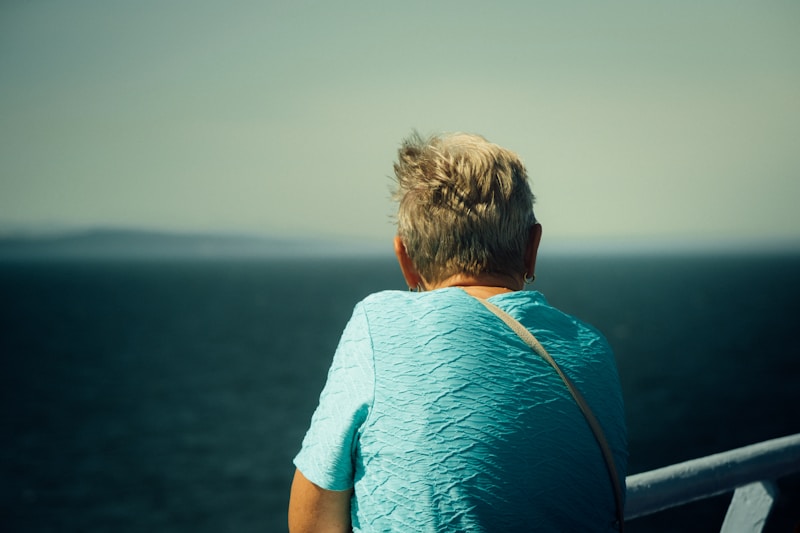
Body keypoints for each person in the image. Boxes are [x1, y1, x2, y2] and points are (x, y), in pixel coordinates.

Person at [289, 132, 628, 532]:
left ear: (406, 260)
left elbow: (312, 520)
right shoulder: (592, 349)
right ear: (531, 247)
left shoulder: (379, 323)